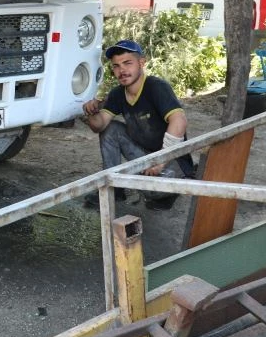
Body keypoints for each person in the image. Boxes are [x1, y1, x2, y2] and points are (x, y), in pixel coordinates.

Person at [81, 40, 195, 210]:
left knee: (155, 192)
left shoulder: (156, 87)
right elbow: (99, 126)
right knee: (110, 129)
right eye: (116, 66)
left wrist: (160, 161)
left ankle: (166, 193)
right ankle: (115, 190)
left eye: (127, 63)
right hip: (144, 157)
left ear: (141, 63)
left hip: (170, 161)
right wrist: (91, 112)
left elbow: (179, 121)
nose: (122, 70)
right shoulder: (117, 93)